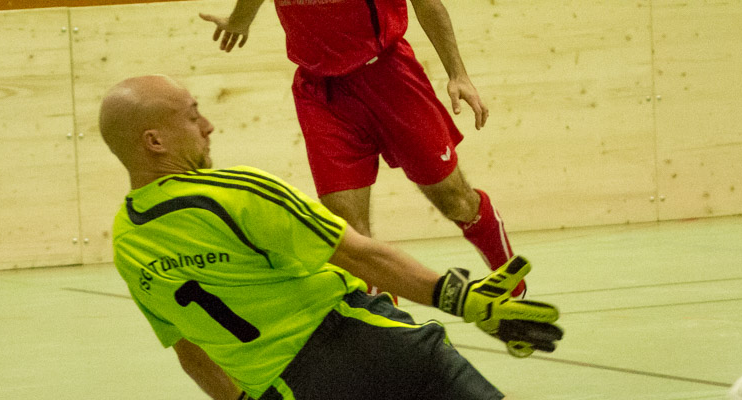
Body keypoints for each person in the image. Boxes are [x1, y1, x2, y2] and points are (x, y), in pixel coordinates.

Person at [96, 75, 736, 400]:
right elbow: (364, 255)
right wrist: (468, 300)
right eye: (193, 115)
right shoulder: (235, 191)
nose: (208, 125)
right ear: (156, 140)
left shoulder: (128, 243)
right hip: (375, 340)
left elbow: (190, 349)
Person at [198, 0, 525, 296]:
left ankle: (514, 291)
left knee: (455, 201)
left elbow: (427, 4)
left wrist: (458, 75)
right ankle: (391, 328)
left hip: (389, 75)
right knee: (349, 232)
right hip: (320, 92)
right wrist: (239, 20)